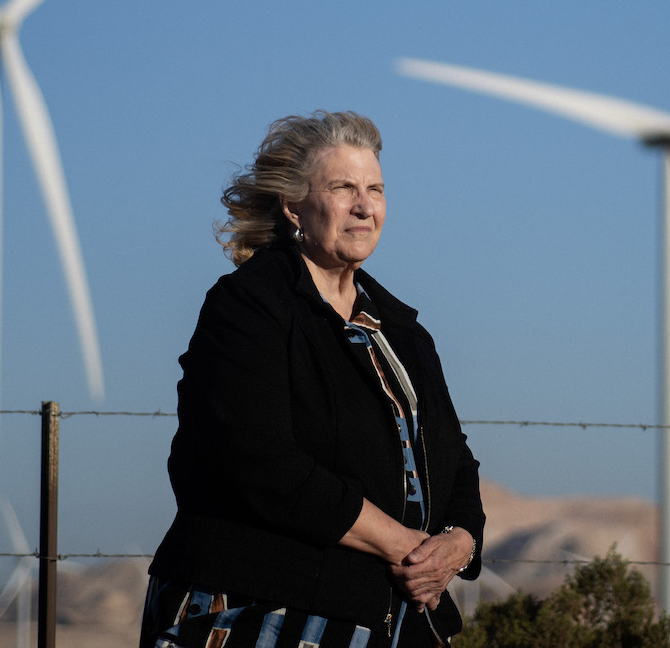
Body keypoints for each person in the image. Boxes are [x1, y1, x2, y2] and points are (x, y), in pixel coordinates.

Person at [142, 111, 484, 648]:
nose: (365, 206)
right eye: (344, 187)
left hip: (391, 621)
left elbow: (454, 459)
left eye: (375, 189)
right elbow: (258, 462)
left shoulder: (401, 331)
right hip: (257, 614)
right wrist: (405, 547)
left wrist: (459, 543)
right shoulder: (249, 307)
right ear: (293, 205)